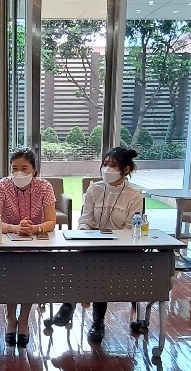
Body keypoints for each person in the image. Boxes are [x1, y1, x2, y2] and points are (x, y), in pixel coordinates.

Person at [49, 147, 143, 343]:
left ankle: (94, 319)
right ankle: (70, 305)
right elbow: (86, 219)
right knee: (76, 260)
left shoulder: (134, 195)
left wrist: (107, 240)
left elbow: (129, 228)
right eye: (105, 164)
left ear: (126, 170)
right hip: (92, 244)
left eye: (113, 165)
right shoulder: (94, 189)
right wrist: (84, 233)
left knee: (100, 269)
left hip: (120, 249)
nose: (107, 169)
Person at [0, 148, 56, 347]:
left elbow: (51, 221)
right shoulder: (0, 186)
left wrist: (35, 228)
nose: (19, 173)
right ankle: (11, 318)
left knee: (30, 278)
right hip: (7, 242)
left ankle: (24, 319)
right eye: (14, 168)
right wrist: (16, 228)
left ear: (34, 170)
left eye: (24, 168)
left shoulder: (44, 186)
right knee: (10, 278)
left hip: (35, 242)